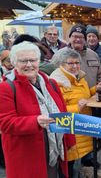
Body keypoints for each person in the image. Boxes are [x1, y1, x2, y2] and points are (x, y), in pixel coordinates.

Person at [0, 41, 74, 178]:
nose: (29, 64)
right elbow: (5, 123)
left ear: (39, 61)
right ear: (14, 63)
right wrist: (35, 121)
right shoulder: (6, 88)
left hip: (54, 150)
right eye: (23, 61)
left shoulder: (51, 83)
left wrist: (69, 141)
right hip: (26, 155)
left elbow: (63, 113)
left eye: (33, 60)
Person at [50, 48, 101, 177]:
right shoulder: (56, 82)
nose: (75, 66)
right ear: (61, 64)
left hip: (82, 127)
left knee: (78, 161)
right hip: (70, 130)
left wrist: (94, 89)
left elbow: (83, 96)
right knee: (69, 166)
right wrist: (76, 107)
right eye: (71, 63)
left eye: (77, 63)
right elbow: (55, 111)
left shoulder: (80, 77)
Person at [57, 24, 101, 88]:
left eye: (81, 37)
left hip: (91, 95)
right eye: (75, 36)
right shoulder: (59, 55)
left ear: (85, 39)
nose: (78, 39)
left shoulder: (93, 55)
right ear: (70, 38)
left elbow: (100, 75)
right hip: (69, 96)